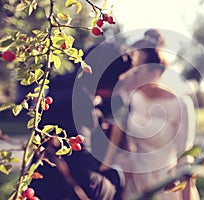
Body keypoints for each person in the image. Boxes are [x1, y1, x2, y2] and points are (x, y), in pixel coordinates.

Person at [102, 29, 200, 200]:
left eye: (136, 71)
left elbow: (184, 159)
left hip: (167, 187)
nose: (129, 75)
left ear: (154, 73)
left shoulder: (182, 105)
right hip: (134, 187)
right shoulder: (130, 99)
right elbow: (120, 144)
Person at [29, 42, 131, 200]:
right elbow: (89, 186)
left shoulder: (61, 90)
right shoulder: (76, 105)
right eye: (122, 79)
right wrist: (117, 177)